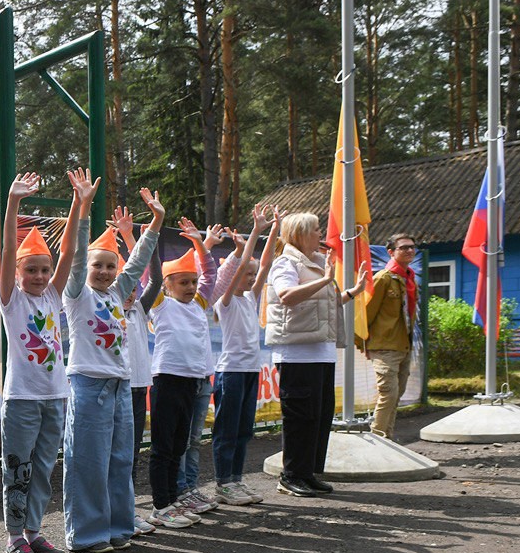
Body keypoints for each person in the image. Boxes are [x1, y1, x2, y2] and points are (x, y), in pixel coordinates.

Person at [61, 182, 165, 551]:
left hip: (121, 384)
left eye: (110, 266)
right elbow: (73, 256)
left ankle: (119, 527)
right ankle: (86, 534)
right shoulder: (76, 294)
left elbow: (136, 263)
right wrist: (84, 208)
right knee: (87, 461)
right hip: (89, 385)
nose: (105, 272)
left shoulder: (119, 294)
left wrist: (155, 222)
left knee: (120, 460)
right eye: (98, 266)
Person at [0, 170, 80, 553]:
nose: (41, 276)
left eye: (44, 271)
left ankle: (34, 532)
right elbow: (9, 249)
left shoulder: (53, 296)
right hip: (22, 398)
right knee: (19, 468)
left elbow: (68, 253)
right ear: (17, 273)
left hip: (55, 397)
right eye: (32, 270)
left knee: (44, 469)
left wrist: (79, 204)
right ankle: (15, 537)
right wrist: (13, 203)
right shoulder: (12, 300)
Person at [265, 213, 369, 497]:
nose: (320, 235)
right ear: (299, 234)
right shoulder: (285, 262)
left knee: (319, 417)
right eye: (315, 230)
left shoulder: (316, 263)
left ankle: (306, 473)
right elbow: (287, 295)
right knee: (299, 417)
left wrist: (352, 291)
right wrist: (325, 280)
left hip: (321, 351)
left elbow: (325, 301)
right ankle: (290, 475)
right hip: (296, 354)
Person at [146, 222, 226, 528]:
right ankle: (160, 505)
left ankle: (174, 500)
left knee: (179, 445)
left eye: (193, 282)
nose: (192, 288)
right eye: (184, 283)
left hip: (192, 382)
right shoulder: (161, 304)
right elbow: (149, 275)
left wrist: (200, 245)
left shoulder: (199, 304)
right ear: (167, 284)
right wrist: (133, 236)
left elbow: (211, 275)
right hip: (167, 380)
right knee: (163, 446)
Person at [211, 208, 281, 506]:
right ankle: (223, 483)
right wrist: (254, 233)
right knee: (227, 430)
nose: (251, 278)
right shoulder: (224, 303)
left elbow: (264, 263)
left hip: (251, 371)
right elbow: (240, 267)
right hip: (231, 372)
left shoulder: (251, 298)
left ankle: (237, 481)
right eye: (246, 274)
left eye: (254, 276)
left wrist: (274, 229)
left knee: (244, 430)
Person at [359, 234, 418, 440]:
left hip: (403, 344)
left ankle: (387, 437)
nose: (409, 251)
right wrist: (364, 344)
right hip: (384, 346)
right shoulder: (383, 278)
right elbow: (366, 313)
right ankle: (378, 437)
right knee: (388, 393)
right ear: (391, 252)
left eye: (412, 247)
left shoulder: (408, 278)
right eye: (403, 248)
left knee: (396, 395)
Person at [122, 226, 160, 536]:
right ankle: (117, 511)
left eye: (135, 286)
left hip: (138, 389)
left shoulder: (138, 309)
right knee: (118, 453)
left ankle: (128, 509)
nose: (133, 291)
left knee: (132, 453)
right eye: (127, 286)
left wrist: (149, 235)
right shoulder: (107, 307)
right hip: (117, 388)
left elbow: (155, 279)